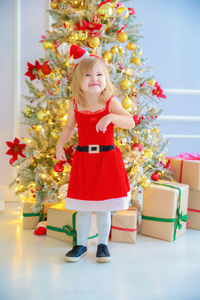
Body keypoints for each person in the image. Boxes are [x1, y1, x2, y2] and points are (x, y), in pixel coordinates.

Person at [56, 45, 135, 263]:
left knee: (104, 207)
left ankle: (103, 244)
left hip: (106, 159)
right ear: (78, 80)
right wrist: (59, 146)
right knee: (83, 207)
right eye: (88, 75)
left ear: (106, 79)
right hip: (84, 160)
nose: (95, 79)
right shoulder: (75, 104)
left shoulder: (109, 102)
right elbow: (69, 128)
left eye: (100, 74)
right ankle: (80, 244)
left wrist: (111, 118)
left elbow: (130, 121)